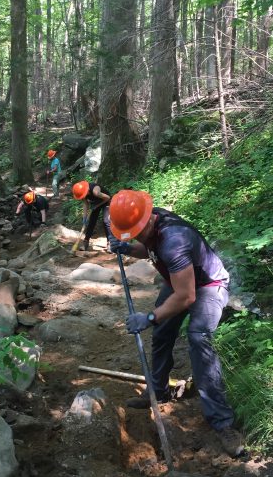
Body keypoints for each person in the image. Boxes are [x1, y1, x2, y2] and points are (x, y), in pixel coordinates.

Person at [108, 189, 244, 458]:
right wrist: (127, 248)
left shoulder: (173, 240)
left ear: (147, 220)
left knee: (198, 337)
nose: (134, 236)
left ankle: (223, 423)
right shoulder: (151, 222)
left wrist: (148, 317)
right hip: (180, 280)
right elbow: (149, 251)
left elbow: (187, 296)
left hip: (208, 285)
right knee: (162, 331)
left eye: (135, 232)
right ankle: (158, 391)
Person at [72, 180, 113, 252]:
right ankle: (86, 242)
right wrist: (84, 218)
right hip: (96, 203)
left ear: (86, 190)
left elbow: (108, 197)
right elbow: (86, 204)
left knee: (106, 221)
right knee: (91, 222)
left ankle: (110, 243)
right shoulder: (83, 193)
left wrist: (97, 205)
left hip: (106, 201)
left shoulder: (95, 191)